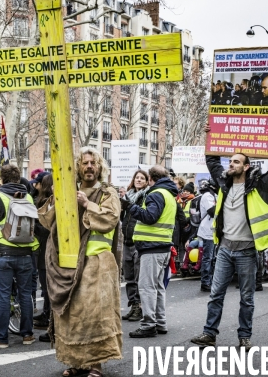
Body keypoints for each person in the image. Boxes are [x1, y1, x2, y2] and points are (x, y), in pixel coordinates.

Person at [190, 123, 268, 350]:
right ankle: (209, 334)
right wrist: (211, 136)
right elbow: (212, 161)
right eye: (230, 161)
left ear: (246, 167)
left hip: (247, 251)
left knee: (246, 298)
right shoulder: (223, 181)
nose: (231, 164)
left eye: (236, 161)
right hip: (225, 249)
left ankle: (244, 336)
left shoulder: (261, 185)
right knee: (216, 294)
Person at [38, 147, 122, 377]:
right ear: (78, 167)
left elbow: (110, 218)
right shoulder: (69, 192)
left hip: (98, 263)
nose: (89, 167)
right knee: (73, 316)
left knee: (96, 316)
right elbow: (47, 221)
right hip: (70, 263)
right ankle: (76, 362)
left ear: (100, 167)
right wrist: (57, 198)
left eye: (93, 163)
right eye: (84, 163)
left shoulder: (107, 192)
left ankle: (96, 364)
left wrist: (87, 204)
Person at [0, 164, 39, 348]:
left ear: (2, 179)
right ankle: (27, 335)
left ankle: (1, 338)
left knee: (3, 296)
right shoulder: (28, 197)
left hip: (3, 253)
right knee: (25, 294)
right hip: (26, 253)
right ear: (18, 178)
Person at [126, 166, 177, 338]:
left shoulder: (156, 194)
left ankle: (149, 324)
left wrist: (131, 207)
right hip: (162, 246)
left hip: (152, 247)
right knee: (158, 286)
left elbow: (150, 217)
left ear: (150, 179)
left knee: (147, 287)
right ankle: (160, 322)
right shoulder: (168, 194)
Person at [120, 170, 149, 322]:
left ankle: (139, 307)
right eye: (137, 177)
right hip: (126, 240)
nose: (138, 180)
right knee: (129, 276)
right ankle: (133, 305)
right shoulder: (127, 196)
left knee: (138, 277)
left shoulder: (146, 196)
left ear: (146, 181)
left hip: (138, 241)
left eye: (142, 178)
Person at [33, 173, 53, 339]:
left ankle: (50, 321)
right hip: (48, 248)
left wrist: (33, 227)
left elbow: (45, 228)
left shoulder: (46, 203)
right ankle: (47, 315)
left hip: (46, 248)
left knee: (48, 287)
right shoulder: (48, 201)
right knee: (47, 287)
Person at [195, 179, 218, 291]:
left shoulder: (216, 195)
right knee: (207, 258)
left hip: (215, 231)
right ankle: (205, 282)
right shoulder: (207, 196)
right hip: (208, 231)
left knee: (213, 258)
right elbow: (212, 211)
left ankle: (211, 280)